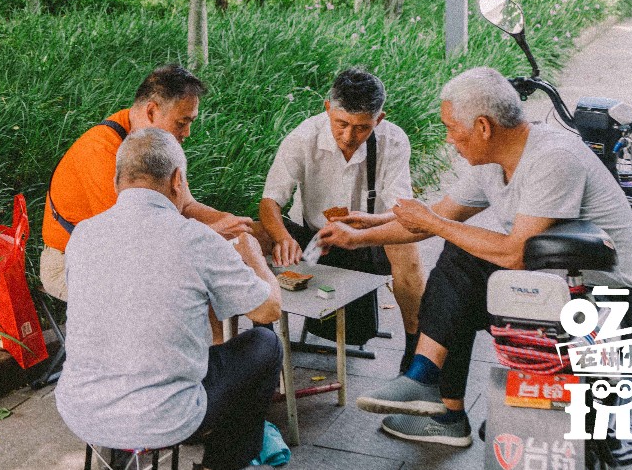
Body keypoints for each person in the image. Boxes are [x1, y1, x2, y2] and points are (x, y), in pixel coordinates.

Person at [320, 67, 632, 447]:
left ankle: (433, 392)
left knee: (463, 262)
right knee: (457, 278)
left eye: (451, 128)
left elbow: (515, 253)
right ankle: (437, 398)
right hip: (549, 281)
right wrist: (361, 235)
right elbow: (434, 219)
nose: (448, 138)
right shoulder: (491, 159)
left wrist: (432, 223)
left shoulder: (554, 157)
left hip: (599, 297)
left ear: (483, 127)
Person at [55, 127, 283, 470]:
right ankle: (220, 464)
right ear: (178, 180)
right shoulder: (196, 239)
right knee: (265, 344)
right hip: (167, 417)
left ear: (117, 181)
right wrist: (254, 258)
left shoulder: (83, 235)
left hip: (82, 410)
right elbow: (268, 310)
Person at [40, 63, 267, 301]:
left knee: (204, 275)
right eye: (181, 123)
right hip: (73, 262)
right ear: (151, 112)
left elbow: (186, 205)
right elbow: (133, 243)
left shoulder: (157, 142)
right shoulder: (101, 150)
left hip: (130, 250)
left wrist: (235, 225)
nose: (187, 133)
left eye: (191, 122)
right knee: (180, 289)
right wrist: (211, 235)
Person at [259, 67, 424, 372]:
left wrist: (370, 224)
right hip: (314, 240)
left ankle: (416, 348)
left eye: (362, 128)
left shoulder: (393, 141)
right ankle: (263, 340)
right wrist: (283, 237)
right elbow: (270, 201)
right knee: (250, 234)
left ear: (379, 119)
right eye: (342, 124)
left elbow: (403, 211)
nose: (349, 137)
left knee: (405, 244)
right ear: (327, 109)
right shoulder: (303, 137)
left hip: (369, 240)